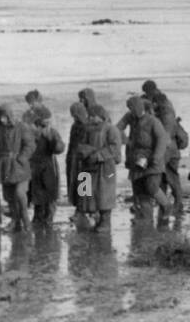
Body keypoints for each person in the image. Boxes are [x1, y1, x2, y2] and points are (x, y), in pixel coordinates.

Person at [123, 94, 172, 221]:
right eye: (129, 109)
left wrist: (156, 157)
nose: (130, 111)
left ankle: (166, 206)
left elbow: (162, 139)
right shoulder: (130, 118)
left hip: (152, 160)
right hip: (137, 160)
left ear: (138, 108)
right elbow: (117, 128)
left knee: (151, 186)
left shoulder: (153, 121)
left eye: (132, 108)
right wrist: (126, 140)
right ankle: (146, 218)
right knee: (140, 190)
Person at [77, 103, 123, 231]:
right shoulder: (86, 129)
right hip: (88, 166)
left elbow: (114, 148)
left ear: (100, 116)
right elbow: (80, 145)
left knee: (105, 194)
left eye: (93, 116)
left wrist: (98, 155)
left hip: (105, 167)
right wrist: (86, 152)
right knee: (86, 192)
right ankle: (90, 215)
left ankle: (105, 222)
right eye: (89, 116)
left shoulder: (111, 129)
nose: (90, 119)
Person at [0, 103, 35, 232]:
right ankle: (15, 221)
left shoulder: (21, 127)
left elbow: (30, 145)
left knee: (20, 193)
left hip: (20, 167)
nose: (2, 120)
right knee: (9, 196)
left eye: (4, 117)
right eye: (0, 117)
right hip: (5, 166)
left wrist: (21, 158)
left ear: (9, 116)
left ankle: (26, 219)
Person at [28, 104, 64, 226]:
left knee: (50, 192)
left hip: (49, 165)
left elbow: (59, 148)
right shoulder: (30, 132)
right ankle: (38, 216)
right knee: (36, 192)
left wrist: (51, 139)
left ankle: (48, 217)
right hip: (34, 166)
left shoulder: (52, 132)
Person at [65, 102, 90, 220]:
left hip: (83, 158)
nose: (74, 117)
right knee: (75, 184)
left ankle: (84, 210)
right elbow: (71, 143)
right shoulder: (74, 126)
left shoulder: (87, 126)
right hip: (74, 158)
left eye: (75, 115)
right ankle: (79, 209)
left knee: (84, 185)